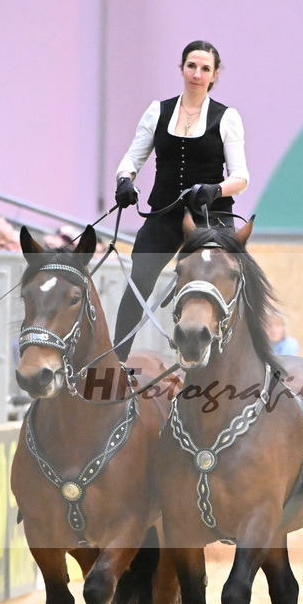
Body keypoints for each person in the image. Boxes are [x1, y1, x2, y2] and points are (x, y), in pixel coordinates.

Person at [111, 40, 249, 362]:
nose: (197, 74)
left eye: (205, 69)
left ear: (214, 75)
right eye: (191, 66)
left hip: (211, 218)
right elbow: (132, 158)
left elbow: (241, 178)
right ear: (182, 69)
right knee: (139, 281)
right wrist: (124, 181)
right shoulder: (157, 111)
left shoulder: (227, 117)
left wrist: (215, 189)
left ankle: (237, 360)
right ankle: (117, 361)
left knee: (229, 280)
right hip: (165, 214)